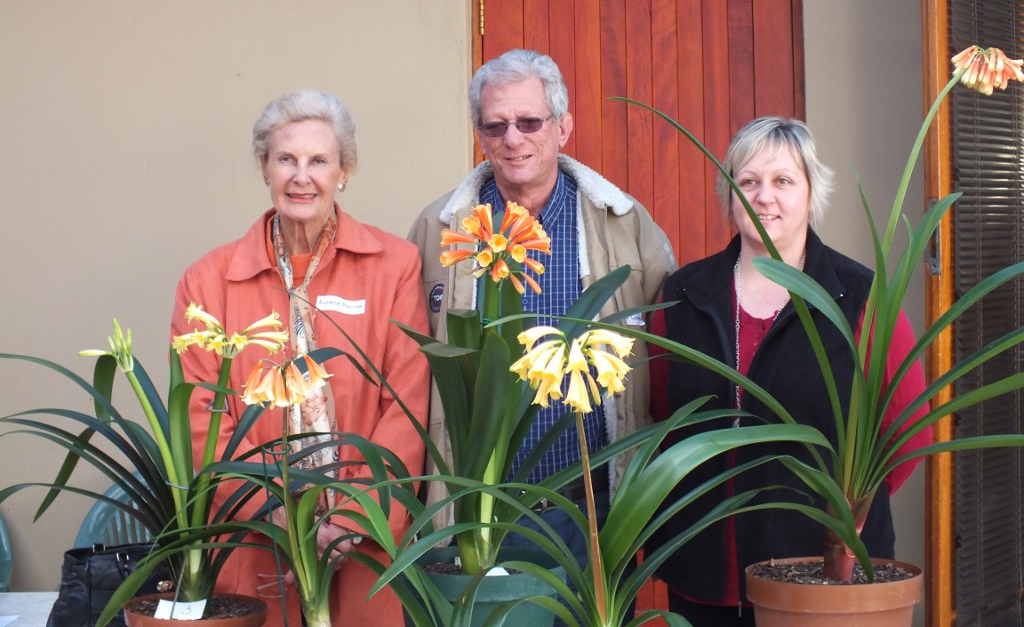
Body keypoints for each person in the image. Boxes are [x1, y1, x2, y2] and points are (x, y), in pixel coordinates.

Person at [647, 116, 933, 627]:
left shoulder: (861, 298)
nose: (764, 197)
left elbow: (909, 433)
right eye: (747, 181)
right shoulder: (682, 295)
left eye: (782, 180)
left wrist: (847, 513)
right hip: (704, 571)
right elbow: (665, 416)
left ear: (810, 192)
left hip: (821, 576)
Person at [408, 48, 676, 570]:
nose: (513, 139)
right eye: (496, 126)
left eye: (530, 122)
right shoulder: (439, 228)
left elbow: (667, 351)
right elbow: (410, 369)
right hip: (475, 510)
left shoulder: (623, 223)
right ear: (480, 136)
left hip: (589, 505)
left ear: (562, 127)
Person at [173, 90, 430, 627]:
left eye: (319, 161)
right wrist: (278, 514)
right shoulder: (208, 280)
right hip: (254, 541)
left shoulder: (395, 266)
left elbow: (406, 405)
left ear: (344, 171)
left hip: (362, 545)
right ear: (264, 167)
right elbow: (201, 418)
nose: (301, 177)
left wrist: (351, 520)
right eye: (286, 159)